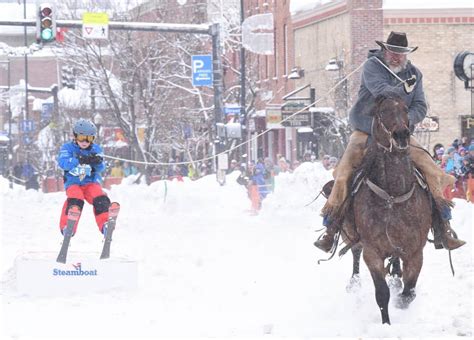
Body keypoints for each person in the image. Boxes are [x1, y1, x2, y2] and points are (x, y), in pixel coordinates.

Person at [314, 31, 465, 252]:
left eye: (401, 53)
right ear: (385, 50)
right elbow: (381, 92)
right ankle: (331, 227)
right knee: (344, 172)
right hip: (366, 131)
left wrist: (405, 122)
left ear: (406, 54)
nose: (396, 56)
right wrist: (404, 89)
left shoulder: (415, 74)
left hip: (399, 133)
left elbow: (421, 106)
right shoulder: (372, 67)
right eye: (393, 51)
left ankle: (443, 223)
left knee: (431, 168)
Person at [57, 119, 111, 237]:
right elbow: (62, 162)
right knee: (76, 200)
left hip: (90, 183)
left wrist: (97, 161)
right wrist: (78, 159)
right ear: (75, 136)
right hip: (73, 183)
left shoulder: (95, 149)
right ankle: (68, 226)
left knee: (100, 198)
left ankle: (105, 224)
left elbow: (101, 167)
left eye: (89, 138)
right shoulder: (68, 148)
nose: (85, 142)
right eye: (82, 137)